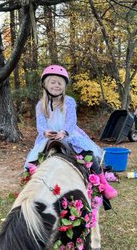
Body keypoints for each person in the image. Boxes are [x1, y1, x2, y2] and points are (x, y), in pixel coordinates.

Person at [25, 64, 117, 200]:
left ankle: (103, 183)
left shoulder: (69, 101)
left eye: (60, 83)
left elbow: (71, 120)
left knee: (89, 155)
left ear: (64, 86)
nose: (56, 85)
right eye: (53, 82)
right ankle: (30, 189)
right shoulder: (40, 105)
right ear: (45, 85)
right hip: (48, 137)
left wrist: (64, 131)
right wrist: (45, 132)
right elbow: (40, 124)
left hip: (68, 134)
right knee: (31, 164)